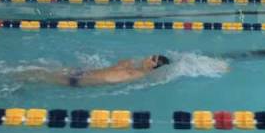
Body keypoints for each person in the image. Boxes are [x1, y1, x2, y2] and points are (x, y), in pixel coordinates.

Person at [20, 55, 170, 87]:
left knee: (37, 74)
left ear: (153, 66)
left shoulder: (135, 74)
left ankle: (15, 82)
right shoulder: (134, 68)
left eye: (153, 58)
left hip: (79, 80)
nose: (149, 56)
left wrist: (82, 80)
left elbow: (107, 80)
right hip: (82, 73)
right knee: (37, 70)